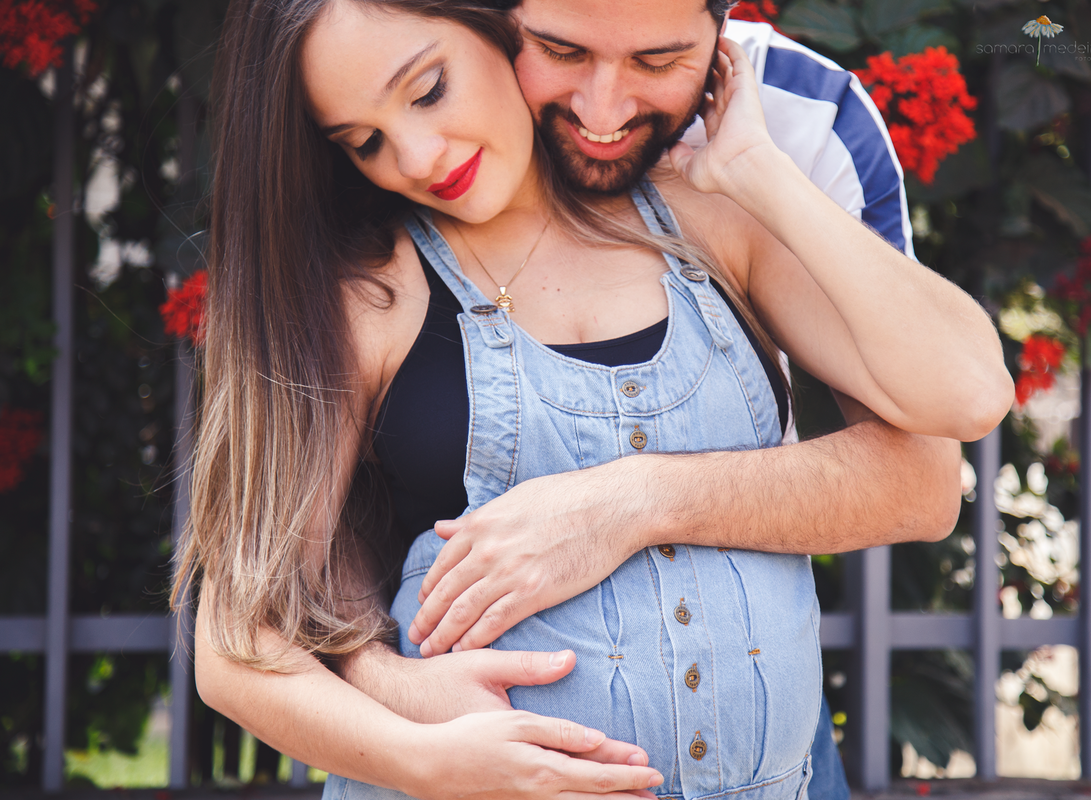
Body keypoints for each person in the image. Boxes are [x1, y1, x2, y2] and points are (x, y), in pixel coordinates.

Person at [179, 1, 1012, 799]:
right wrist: (427, 759)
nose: (419, 156)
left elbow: (968, 398)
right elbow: (236, 639)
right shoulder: (370, 296)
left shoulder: (710, 217)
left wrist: (757, 171)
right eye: (365, 141)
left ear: (488, 23)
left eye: (430, 90)